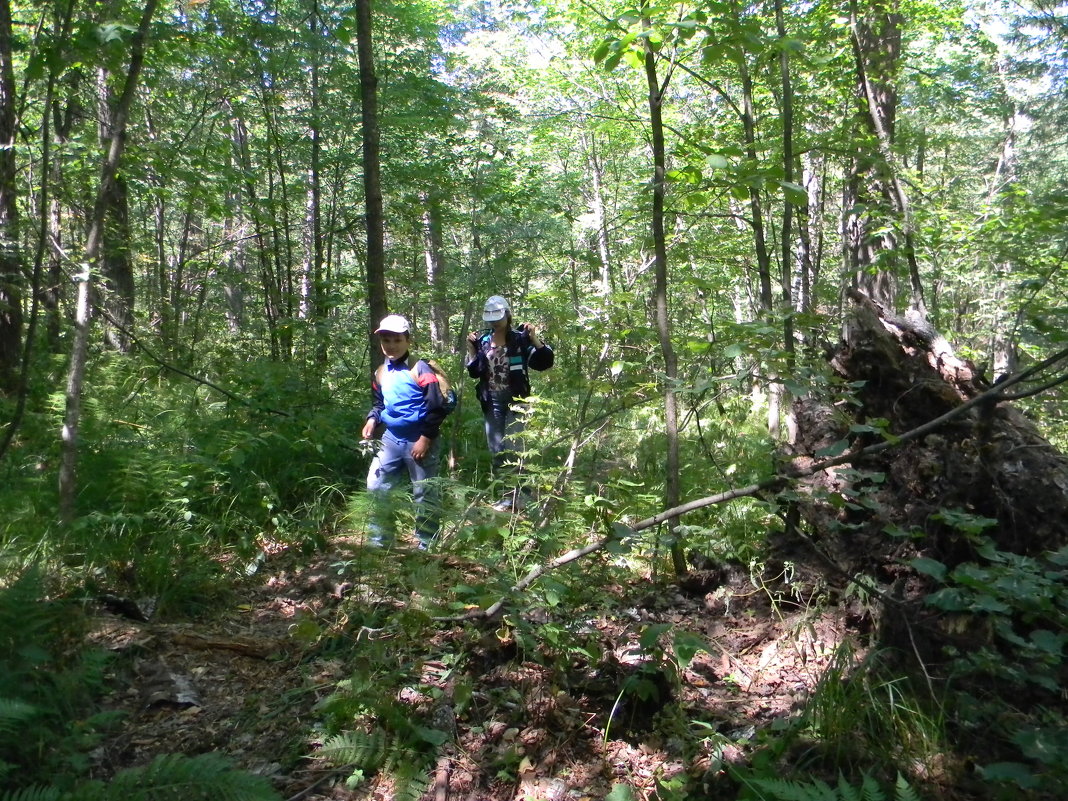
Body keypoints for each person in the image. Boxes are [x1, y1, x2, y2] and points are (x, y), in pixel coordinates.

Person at [361, 314, 450, 548]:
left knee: (425, 493)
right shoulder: (381, 372)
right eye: (386, 340)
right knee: (376, 486)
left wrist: (425, 438)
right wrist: (372, 419)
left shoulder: (420, 369)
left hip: (420, 439)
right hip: (391, 439)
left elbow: (437, 407)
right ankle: (381, 541)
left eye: (397, 340)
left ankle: (427, 544)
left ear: (407, 340)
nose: (391, 345)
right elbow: (379, 403)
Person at [466, 295, 554, 510]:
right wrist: (471, 349)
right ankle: (507, 497)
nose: (495, 322)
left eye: (498, 317)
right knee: (497, 449)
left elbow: (544, 362)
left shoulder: (520, 339)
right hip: (491, 400)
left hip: (517, 400)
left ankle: (522, 496)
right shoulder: (483, 340)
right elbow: (475, 372)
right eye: (491, 318)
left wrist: (534, 339)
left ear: (507, 315)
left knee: (514, 448)